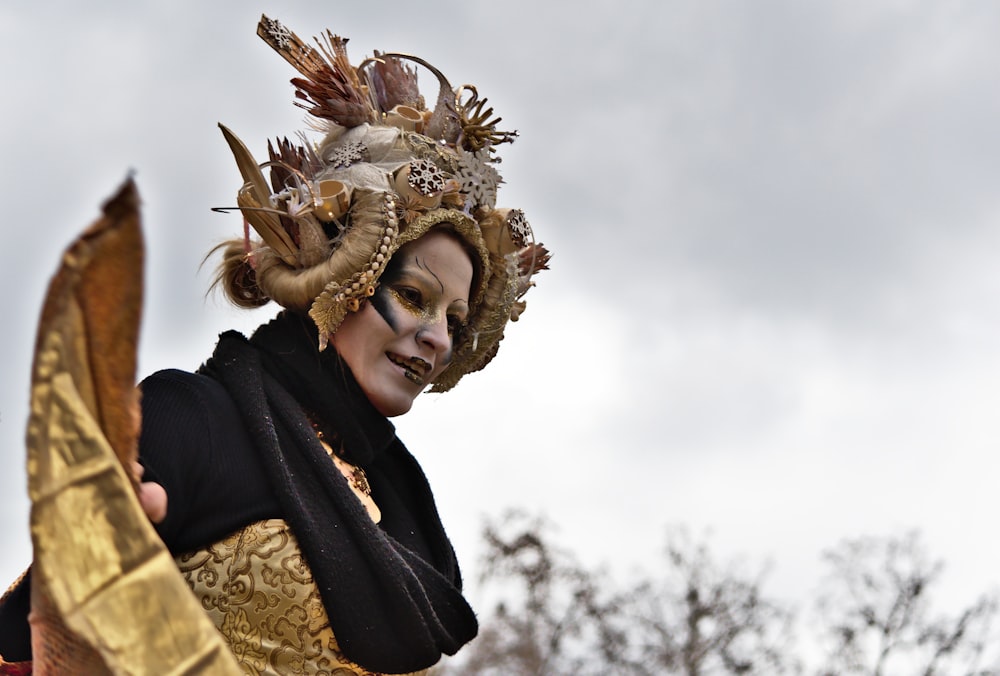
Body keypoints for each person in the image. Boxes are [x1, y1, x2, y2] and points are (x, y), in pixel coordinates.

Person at [0, 14, 548, 675]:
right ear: (345, 274)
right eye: (414, 298)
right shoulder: (192, 419)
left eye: (455, 324)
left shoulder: (407, 508)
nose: (436, 338)